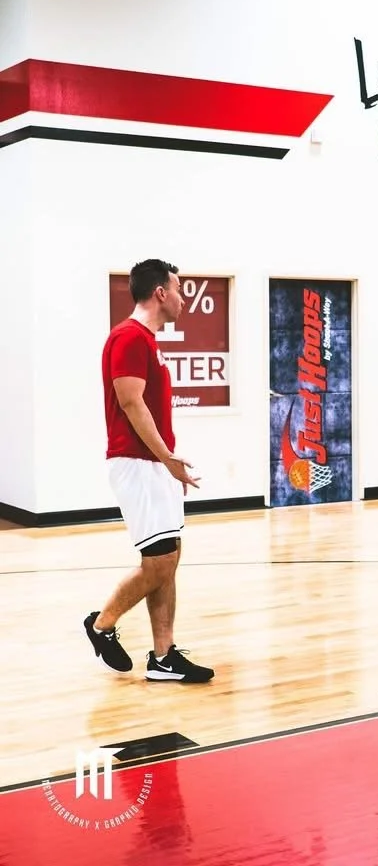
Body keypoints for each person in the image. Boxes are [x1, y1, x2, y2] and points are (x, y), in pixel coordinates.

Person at [84, 259, 214, 683]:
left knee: (169, 557)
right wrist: (168, 460)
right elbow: (130, 403)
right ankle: (101, 625)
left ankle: (163, 657)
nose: (182, 299)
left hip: (153, 465)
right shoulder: (128, 337)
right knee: (158, 564)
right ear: (160, 292)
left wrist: (167, 463)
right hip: (137, 465)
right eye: (178, 290)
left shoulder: (147, 341)